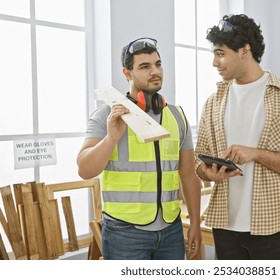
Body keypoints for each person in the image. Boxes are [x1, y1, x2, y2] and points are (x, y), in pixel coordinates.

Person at [195, 14, 280, 260]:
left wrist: (256, 153)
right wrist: (208, 173)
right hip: (225, 227)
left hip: (273, 228)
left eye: (220, 53)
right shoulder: (213, 103)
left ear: (244, 50)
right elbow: (199, 162)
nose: (214, 62)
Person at [77, 37, 202, 260]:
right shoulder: (107, 115)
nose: (155, 71)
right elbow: (85, 170)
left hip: (171, 230)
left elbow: (188, 174)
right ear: (127, 73)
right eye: (145, 66)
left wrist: (194, 224)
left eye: (158, 64)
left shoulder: (177, 117)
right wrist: (111, 138)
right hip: (124, 234)